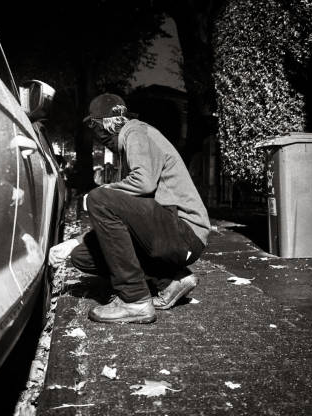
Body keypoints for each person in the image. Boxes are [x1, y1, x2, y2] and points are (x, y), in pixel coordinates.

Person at [49, 93, 211, 324]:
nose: (97, 139)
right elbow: (124, 221)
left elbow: (143, 182)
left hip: (185, 233)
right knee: (84, 256)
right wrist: (75, 241)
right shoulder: (132, 141)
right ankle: (171, 280)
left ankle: (134, 300)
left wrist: (102, 192)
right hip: (169, 231)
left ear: (104, 125)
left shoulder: (136, 133)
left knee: (99, 197)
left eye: (96, 131)